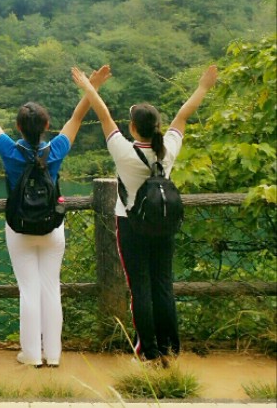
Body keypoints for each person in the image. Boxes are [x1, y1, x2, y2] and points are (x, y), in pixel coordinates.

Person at [0, 63, 110, 367]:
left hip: (19, 229)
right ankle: (53, 356)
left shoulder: (9, 150)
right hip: (51, 228)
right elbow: (77, 117)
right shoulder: (55, 149)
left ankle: (30, 355)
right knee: (50, 288)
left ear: (18, 127)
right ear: (46, 126)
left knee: (28, 290)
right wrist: (90, 86)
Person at [71, 64, 217, 365]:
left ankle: (147, 351)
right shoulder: (168, 150)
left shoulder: (124, 152)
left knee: (140, 288)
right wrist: (202, 87)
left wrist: (89, 85)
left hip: (131, 225)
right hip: (164, 225)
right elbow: (183, 116)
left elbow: (103, 115)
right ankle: (170, 350)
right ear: (157, 126)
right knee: (163, 284)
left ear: (133, 127)